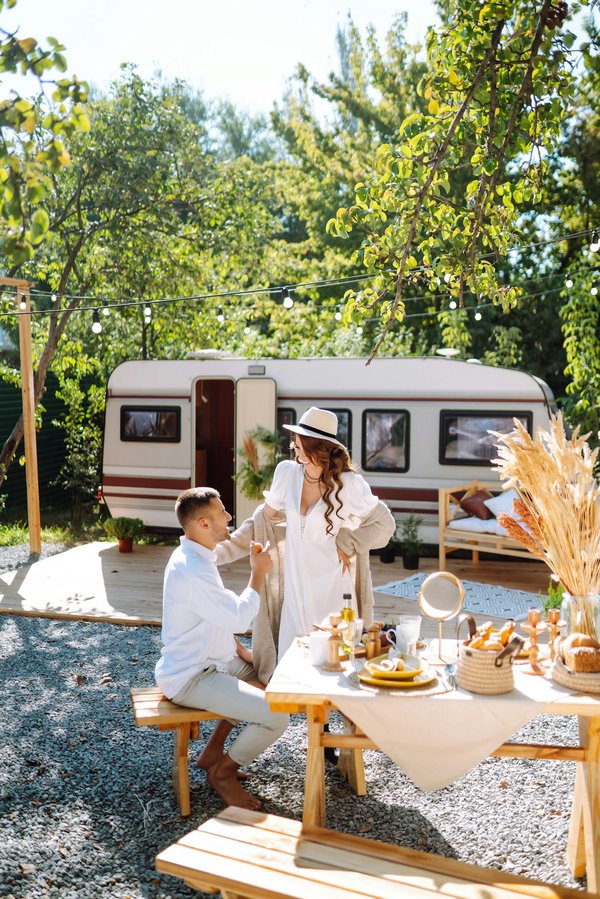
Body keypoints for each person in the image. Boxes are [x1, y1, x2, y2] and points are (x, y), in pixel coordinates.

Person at [216, 407, 396, 683]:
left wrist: (349, 539)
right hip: (296, 586)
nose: (294, 448)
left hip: (334, 586)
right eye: (295, 442)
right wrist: (217, 552)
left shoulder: (349, 484)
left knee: (336, 667)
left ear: (317, 447)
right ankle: (289, 722)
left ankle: (329, 722)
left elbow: (386, 525)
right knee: (292, 670)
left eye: (299, 444)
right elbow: (259, 523)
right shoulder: (287, 473)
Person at [155, 486, 288, 811]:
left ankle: (213, 751)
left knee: (268, 675)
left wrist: (244, 654)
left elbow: (212, 618)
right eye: (222, 513)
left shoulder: (196, 554)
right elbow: (237, 615)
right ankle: (223, 774)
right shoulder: (193, 570)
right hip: (191, 678)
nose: (229, 517)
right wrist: (257, 574)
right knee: (278, 717)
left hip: (215, 663)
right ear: (202, 524)